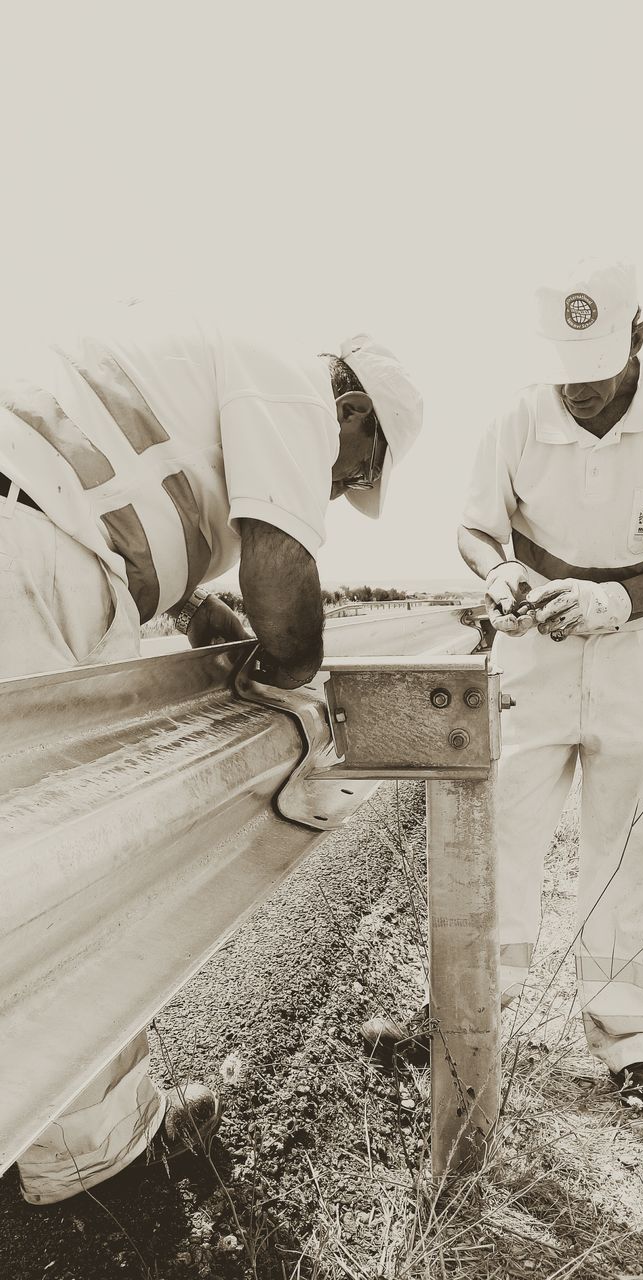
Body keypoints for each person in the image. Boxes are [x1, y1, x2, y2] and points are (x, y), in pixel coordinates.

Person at [0, 302, 423, 1204]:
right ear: (353, 411)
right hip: (30, 557)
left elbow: (195, 587)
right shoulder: (293, 390)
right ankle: (94, 1163)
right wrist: (291, 674)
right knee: (68, 867)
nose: (345, 485)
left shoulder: (211, 379)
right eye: (361, 470)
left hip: (35, 539)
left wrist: (213, 623)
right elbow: (280, 572)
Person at [457, 259, 643, 1116]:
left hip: (640, 652)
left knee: (638, 842)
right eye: (564, 374)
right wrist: (499, 573)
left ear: (638, 336)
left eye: (597, 373)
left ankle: (630, 1037)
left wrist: (618, 599)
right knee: (502, 832)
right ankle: (475, 1021)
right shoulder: (516, 419)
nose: (578, 393)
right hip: (532, 653)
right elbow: (475, 527)